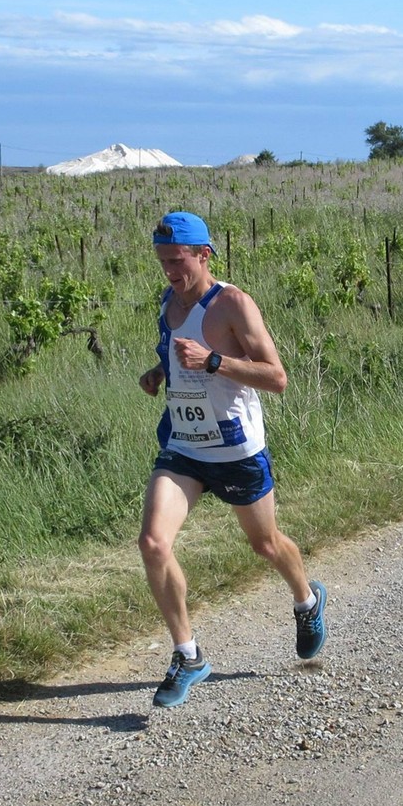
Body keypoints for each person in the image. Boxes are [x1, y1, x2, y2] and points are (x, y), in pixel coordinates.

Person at [137, 210, 328, 708]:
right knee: (154, 542)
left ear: (205, 254)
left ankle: (306, 600)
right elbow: (177, 351)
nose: (170, 272)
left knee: (265, 545)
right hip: (184, 446)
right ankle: (188, 654)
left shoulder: (234, 304)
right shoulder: (169, 300)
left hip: (237, 449)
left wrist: (214, 361)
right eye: (162, 262)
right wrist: (160, 371)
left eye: (178, 261)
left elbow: (277, 377)